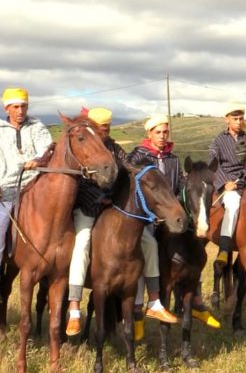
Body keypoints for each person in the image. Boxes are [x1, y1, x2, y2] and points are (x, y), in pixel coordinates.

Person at [0, 88, 53, 303]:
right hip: (7, 189)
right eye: (16, 107)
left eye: (24, 106)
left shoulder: (38, 127)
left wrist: (40, 161)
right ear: (7, 108)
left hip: (36, 185)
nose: (21, 110)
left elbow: (48, 149)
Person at [65, 107, 128, 336]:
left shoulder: (114, 148)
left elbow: (126, 168)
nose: (106, 132)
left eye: (108, 128)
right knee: (81, 243)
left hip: (113, 209)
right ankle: (74, 306)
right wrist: (99, 198)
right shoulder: (84, 146)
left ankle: (137, 305)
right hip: (88, 207)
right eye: (102, 128)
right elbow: (78, 183)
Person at [127, 113, 187, 341]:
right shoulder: (138, 156)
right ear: (149, 134)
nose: (162, 136)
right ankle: (140, 313)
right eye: (158, 132)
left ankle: (193, 297)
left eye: (165, 132)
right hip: (145, 218)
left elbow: (179, 185)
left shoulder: (172, 159)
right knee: (145, 255)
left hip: (167, 217)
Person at [209, 103, 246, 271]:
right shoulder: (219, 140)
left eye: (241, 118)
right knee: (233, 204)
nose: (238, 122)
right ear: (226, 119)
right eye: (235, 119)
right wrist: (225, 182)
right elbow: (213, 164)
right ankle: (225, 247)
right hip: (227, 184)